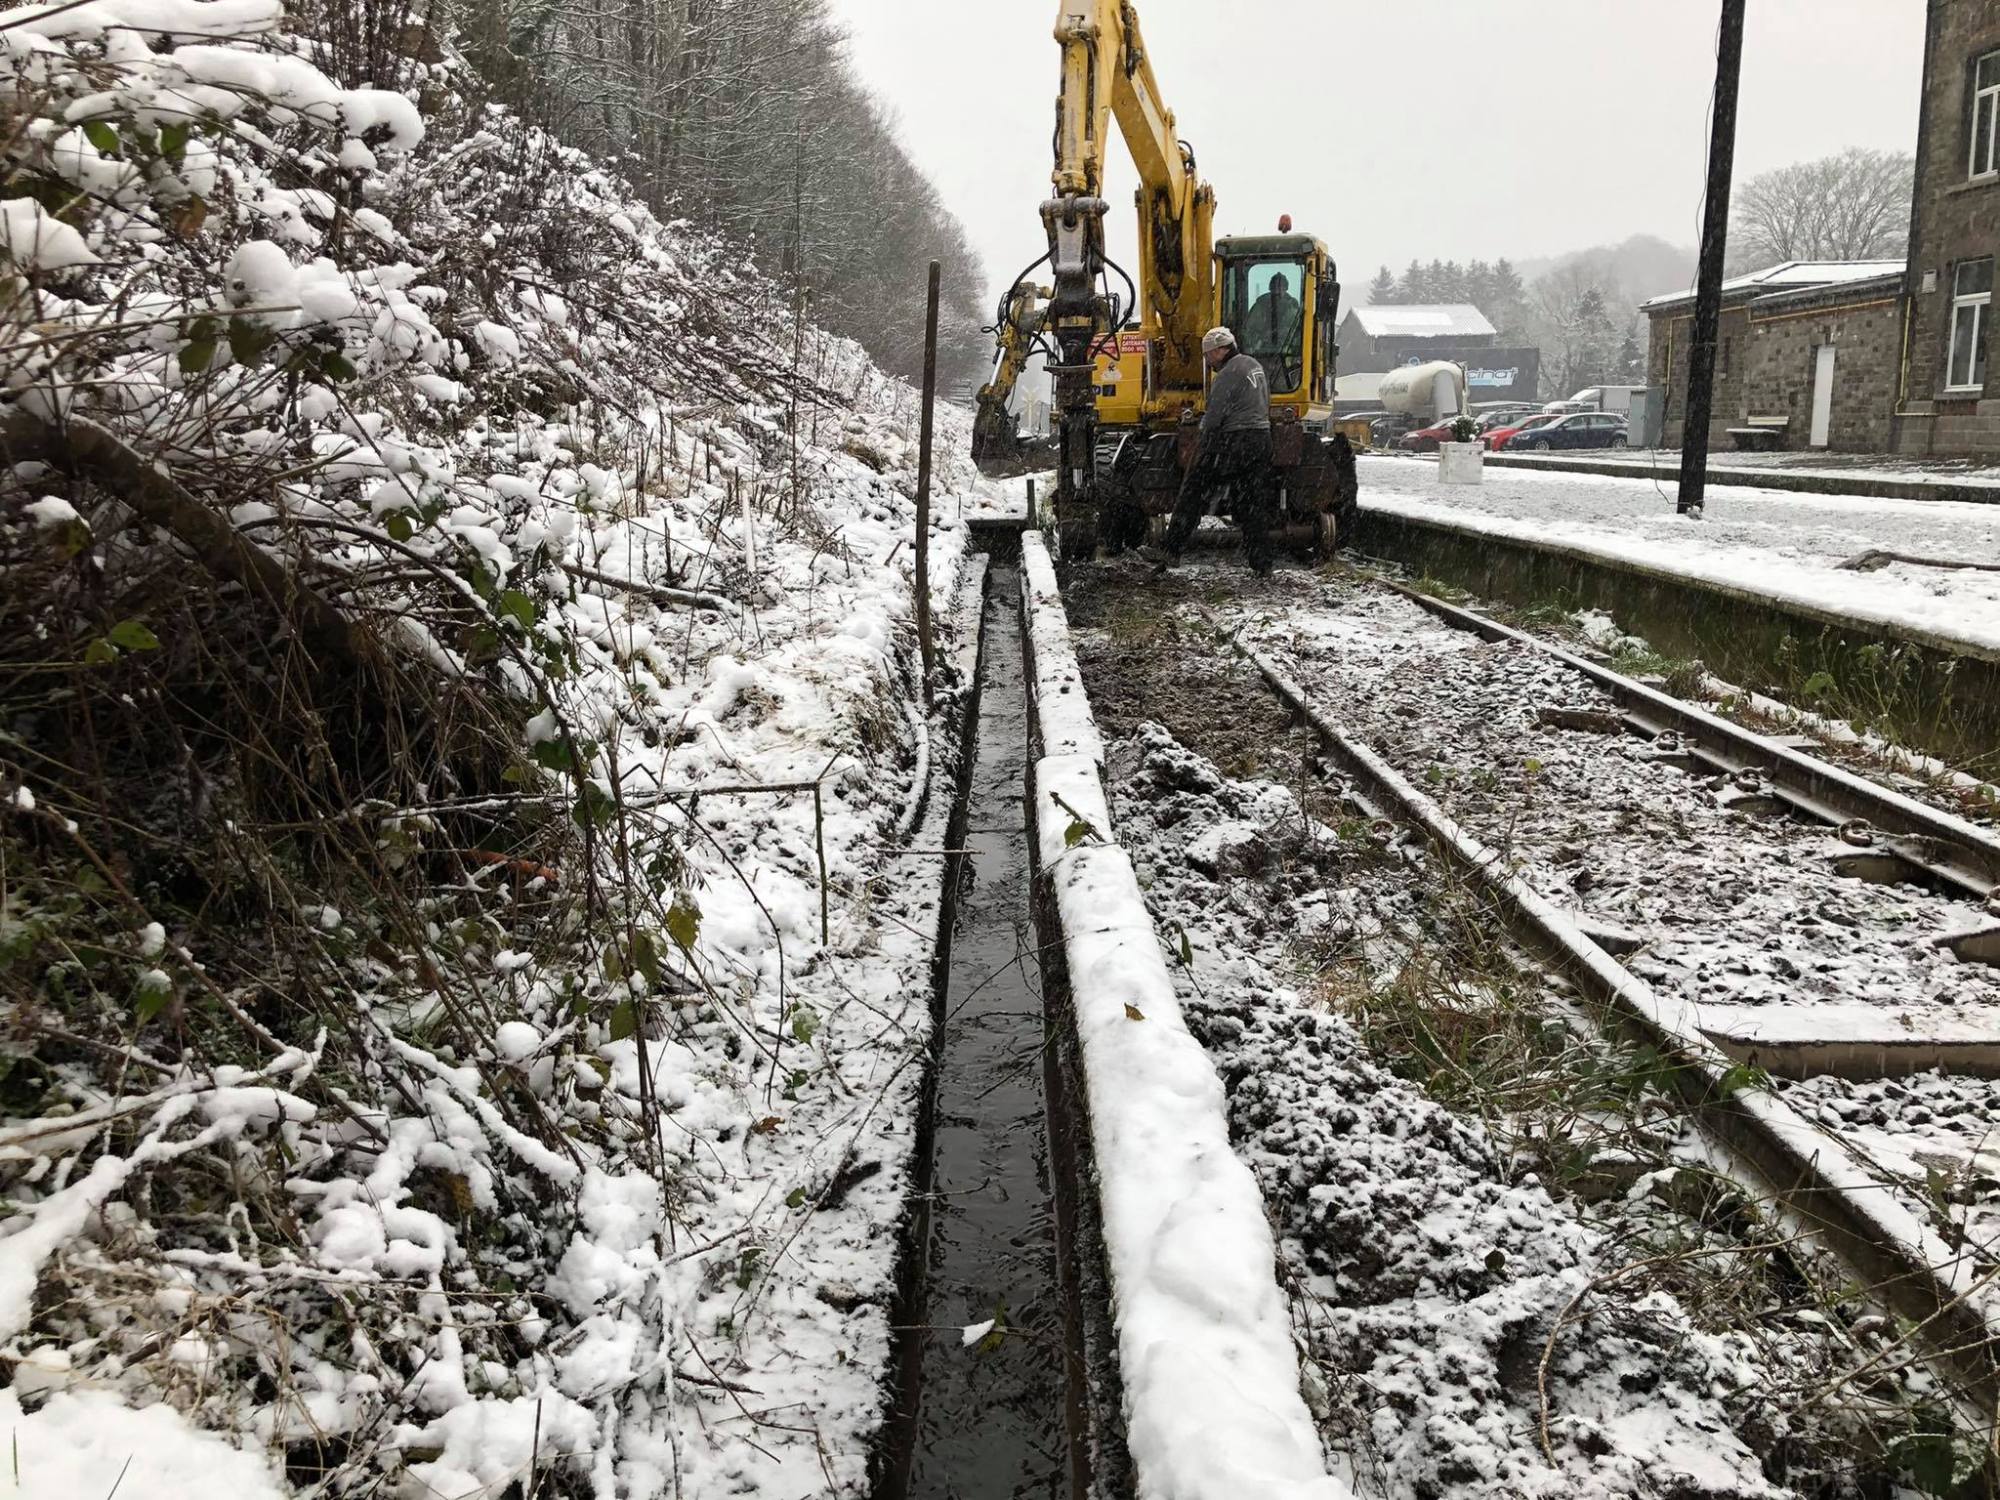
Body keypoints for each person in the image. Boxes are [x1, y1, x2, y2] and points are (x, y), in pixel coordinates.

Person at [1142, 326, 1277, 574]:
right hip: (1261, 439)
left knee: (1193, 489)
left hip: (1236, 441)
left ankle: (1171, 549)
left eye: (1208, 355)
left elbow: (1214, 418)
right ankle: (1262, 564)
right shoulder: (1253, 365)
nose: (1207, 361)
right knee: (1252, 503)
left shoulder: (1228, 373)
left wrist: (1201, 449)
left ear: (1219, 350)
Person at [1244, 272, 1303, 358]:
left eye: (1281, 287)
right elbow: (1248, 330)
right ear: (1270, 288)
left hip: (1287, 354)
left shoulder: (1293, 308)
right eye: (1274, 287)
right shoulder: (1260, 306)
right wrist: (1262, 337)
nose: (1277, 291)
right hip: (1261, 353)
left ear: (1286, 288)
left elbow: (1297, 332)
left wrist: (1282, 333)